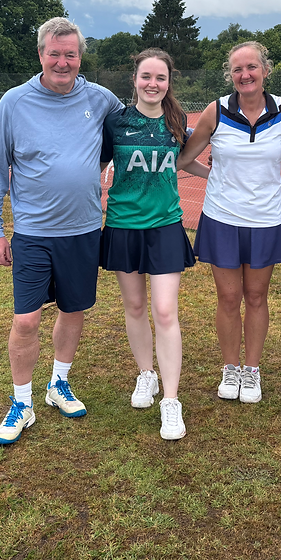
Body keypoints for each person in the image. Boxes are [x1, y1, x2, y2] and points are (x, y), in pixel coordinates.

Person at [0, 16, 124, 446]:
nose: (63, 62)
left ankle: (58, 384)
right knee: (25, 320)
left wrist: (192, 134)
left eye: (71, 54)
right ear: (41, 54)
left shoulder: (100, 99)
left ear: (80, 56)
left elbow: (139, 127)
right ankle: (21, 402)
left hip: (83, 231)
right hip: (32, 233)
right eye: (54, 54)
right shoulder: (14, 102)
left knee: (73, 309)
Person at [101, 49, 208, 440]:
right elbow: (92, 164)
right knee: (134, 306)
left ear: (168, 82)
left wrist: (216, 174)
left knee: (165, 311)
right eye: (146, 76)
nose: (153, 84)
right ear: (134, 79)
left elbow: (183, 160)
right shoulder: (115, 123)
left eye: (160, 78)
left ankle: (171, 401)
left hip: (165, 226)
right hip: (123, 226)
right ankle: (146, 375)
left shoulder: (178, 121)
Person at [177, 41, 281, 405]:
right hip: (222, 218)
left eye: (252, 67)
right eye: (238, 69)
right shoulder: (217, 110)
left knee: (256, 297)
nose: (245, 75)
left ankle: (252, 371)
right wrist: (213, 176)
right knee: (228, 297)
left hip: (266, 220)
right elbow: (183, 158)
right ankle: (231, 368)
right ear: (231, 75)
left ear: (265, 71)